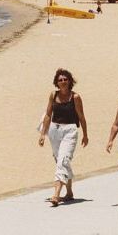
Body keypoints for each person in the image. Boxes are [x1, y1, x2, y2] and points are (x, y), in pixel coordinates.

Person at [38, 69, 89, 206]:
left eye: (65, 79)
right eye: (60, 80)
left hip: (70, 131)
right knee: (60, 161)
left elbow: (81, 117)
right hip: (54, 130)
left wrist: (85, 134)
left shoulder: (75, 97)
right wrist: (43, 133)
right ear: (57, 82)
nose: (63, 82)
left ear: (70, 81)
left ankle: (56, 195)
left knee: (63, 160)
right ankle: (70, 193)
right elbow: (48, 114)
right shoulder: (53, 95)